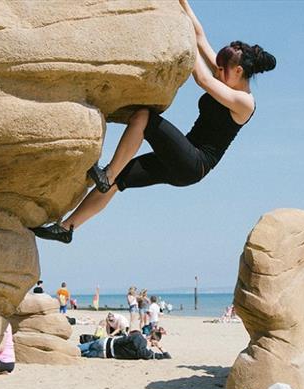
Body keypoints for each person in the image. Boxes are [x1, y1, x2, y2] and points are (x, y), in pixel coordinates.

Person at [30, 0, 276, 243]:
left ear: (238, 72)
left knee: (143, 116)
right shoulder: (227, 77)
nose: (217, 71)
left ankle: (108, 172)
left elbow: (202, 79)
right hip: (181, 158)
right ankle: (67, 228)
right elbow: (200, 37)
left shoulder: (244, 103)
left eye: (222, 69)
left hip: (194, 164)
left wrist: (183, 44)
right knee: (119, 182)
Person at [79, 312, 171, 360]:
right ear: (153, 342)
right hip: (107, 353)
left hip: (106, 342)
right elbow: (167, 356)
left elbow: (121, 340)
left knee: (79, 349)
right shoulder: (145, 352)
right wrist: (160, 347)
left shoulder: (137, 335)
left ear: (150, 334)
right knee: (80, 354)